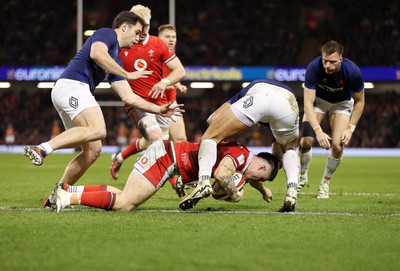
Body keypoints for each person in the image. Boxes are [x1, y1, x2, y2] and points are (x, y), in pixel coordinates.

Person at [23, 11, 183, 207]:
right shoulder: (106, 34)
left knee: (93, 150)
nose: (139, 38)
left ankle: (57, 194)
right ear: (124, 27)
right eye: (137, 32)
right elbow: (96, 54)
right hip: (73, 86)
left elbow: (129, 97)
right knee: (99, 129)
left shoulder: (116, 62)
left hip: (70, 91)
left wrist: (159, 110)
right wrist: (128, 74)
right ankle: (43, 149)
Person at [52, 140, 281, 212]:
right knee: (125, 204)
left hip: (168, 156)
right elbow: (222, 175)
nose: (256, 182)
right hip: (167, 159)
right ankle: (66, 199)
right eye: (261, 179)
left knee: (124, 196)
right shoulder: (240, 158)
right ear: (261, 169)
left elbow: (246, 177)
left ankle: (67, 191)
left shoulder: (245, 159)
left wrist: (263, 190)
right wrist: (235, 194)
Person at [179, 79, 300, 212]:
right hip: (289, 100)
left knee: (210, 137)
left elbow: (212, 119)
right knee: (290, 149)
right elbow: (278, 147)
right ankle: (292, 191)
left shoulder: (244, 92)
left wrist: (226, 133)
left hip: (261, 93)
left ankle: (203, 182)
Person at [109, 5, 186, 183]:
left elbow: (179, 70)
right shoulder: (118, 46)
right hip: (137, 104)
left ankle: (119, 158)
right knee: (157, 140)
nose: (143, 31)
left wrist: (164, 82)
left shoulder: (158, 44)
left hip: (161, 105)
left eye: (147, 26)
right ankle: (175, 182)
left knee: (161, 142)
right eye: (139, 27)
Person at [297, 40, 365, 199]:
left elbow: (360, 101)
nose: (327, 65)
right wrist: (318, 131)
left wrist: (351, 128)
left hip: (341, 104)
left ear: (341, 58)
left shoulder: (352, 71)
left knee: (337, 146)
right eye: (325, 61)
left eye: (332, 62)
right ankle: (302, 174)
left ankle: (324, 184)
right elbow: (307, 104)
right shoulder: (314, 68)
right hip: (318, 102)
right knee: (306, 140)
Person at [158, 24, 188, 143]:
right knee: (158, 141)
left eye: (174, 37)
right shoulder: (153, 56)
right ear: (159, 38)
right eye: (167, 36)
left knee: (181, 139)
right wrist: (164, 83)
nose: (171, 39)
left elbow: (172, 75)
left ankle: (176, 162)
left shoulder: (172, 56)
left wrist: (179, 85)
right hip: (157, 104)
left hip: (172, 102)